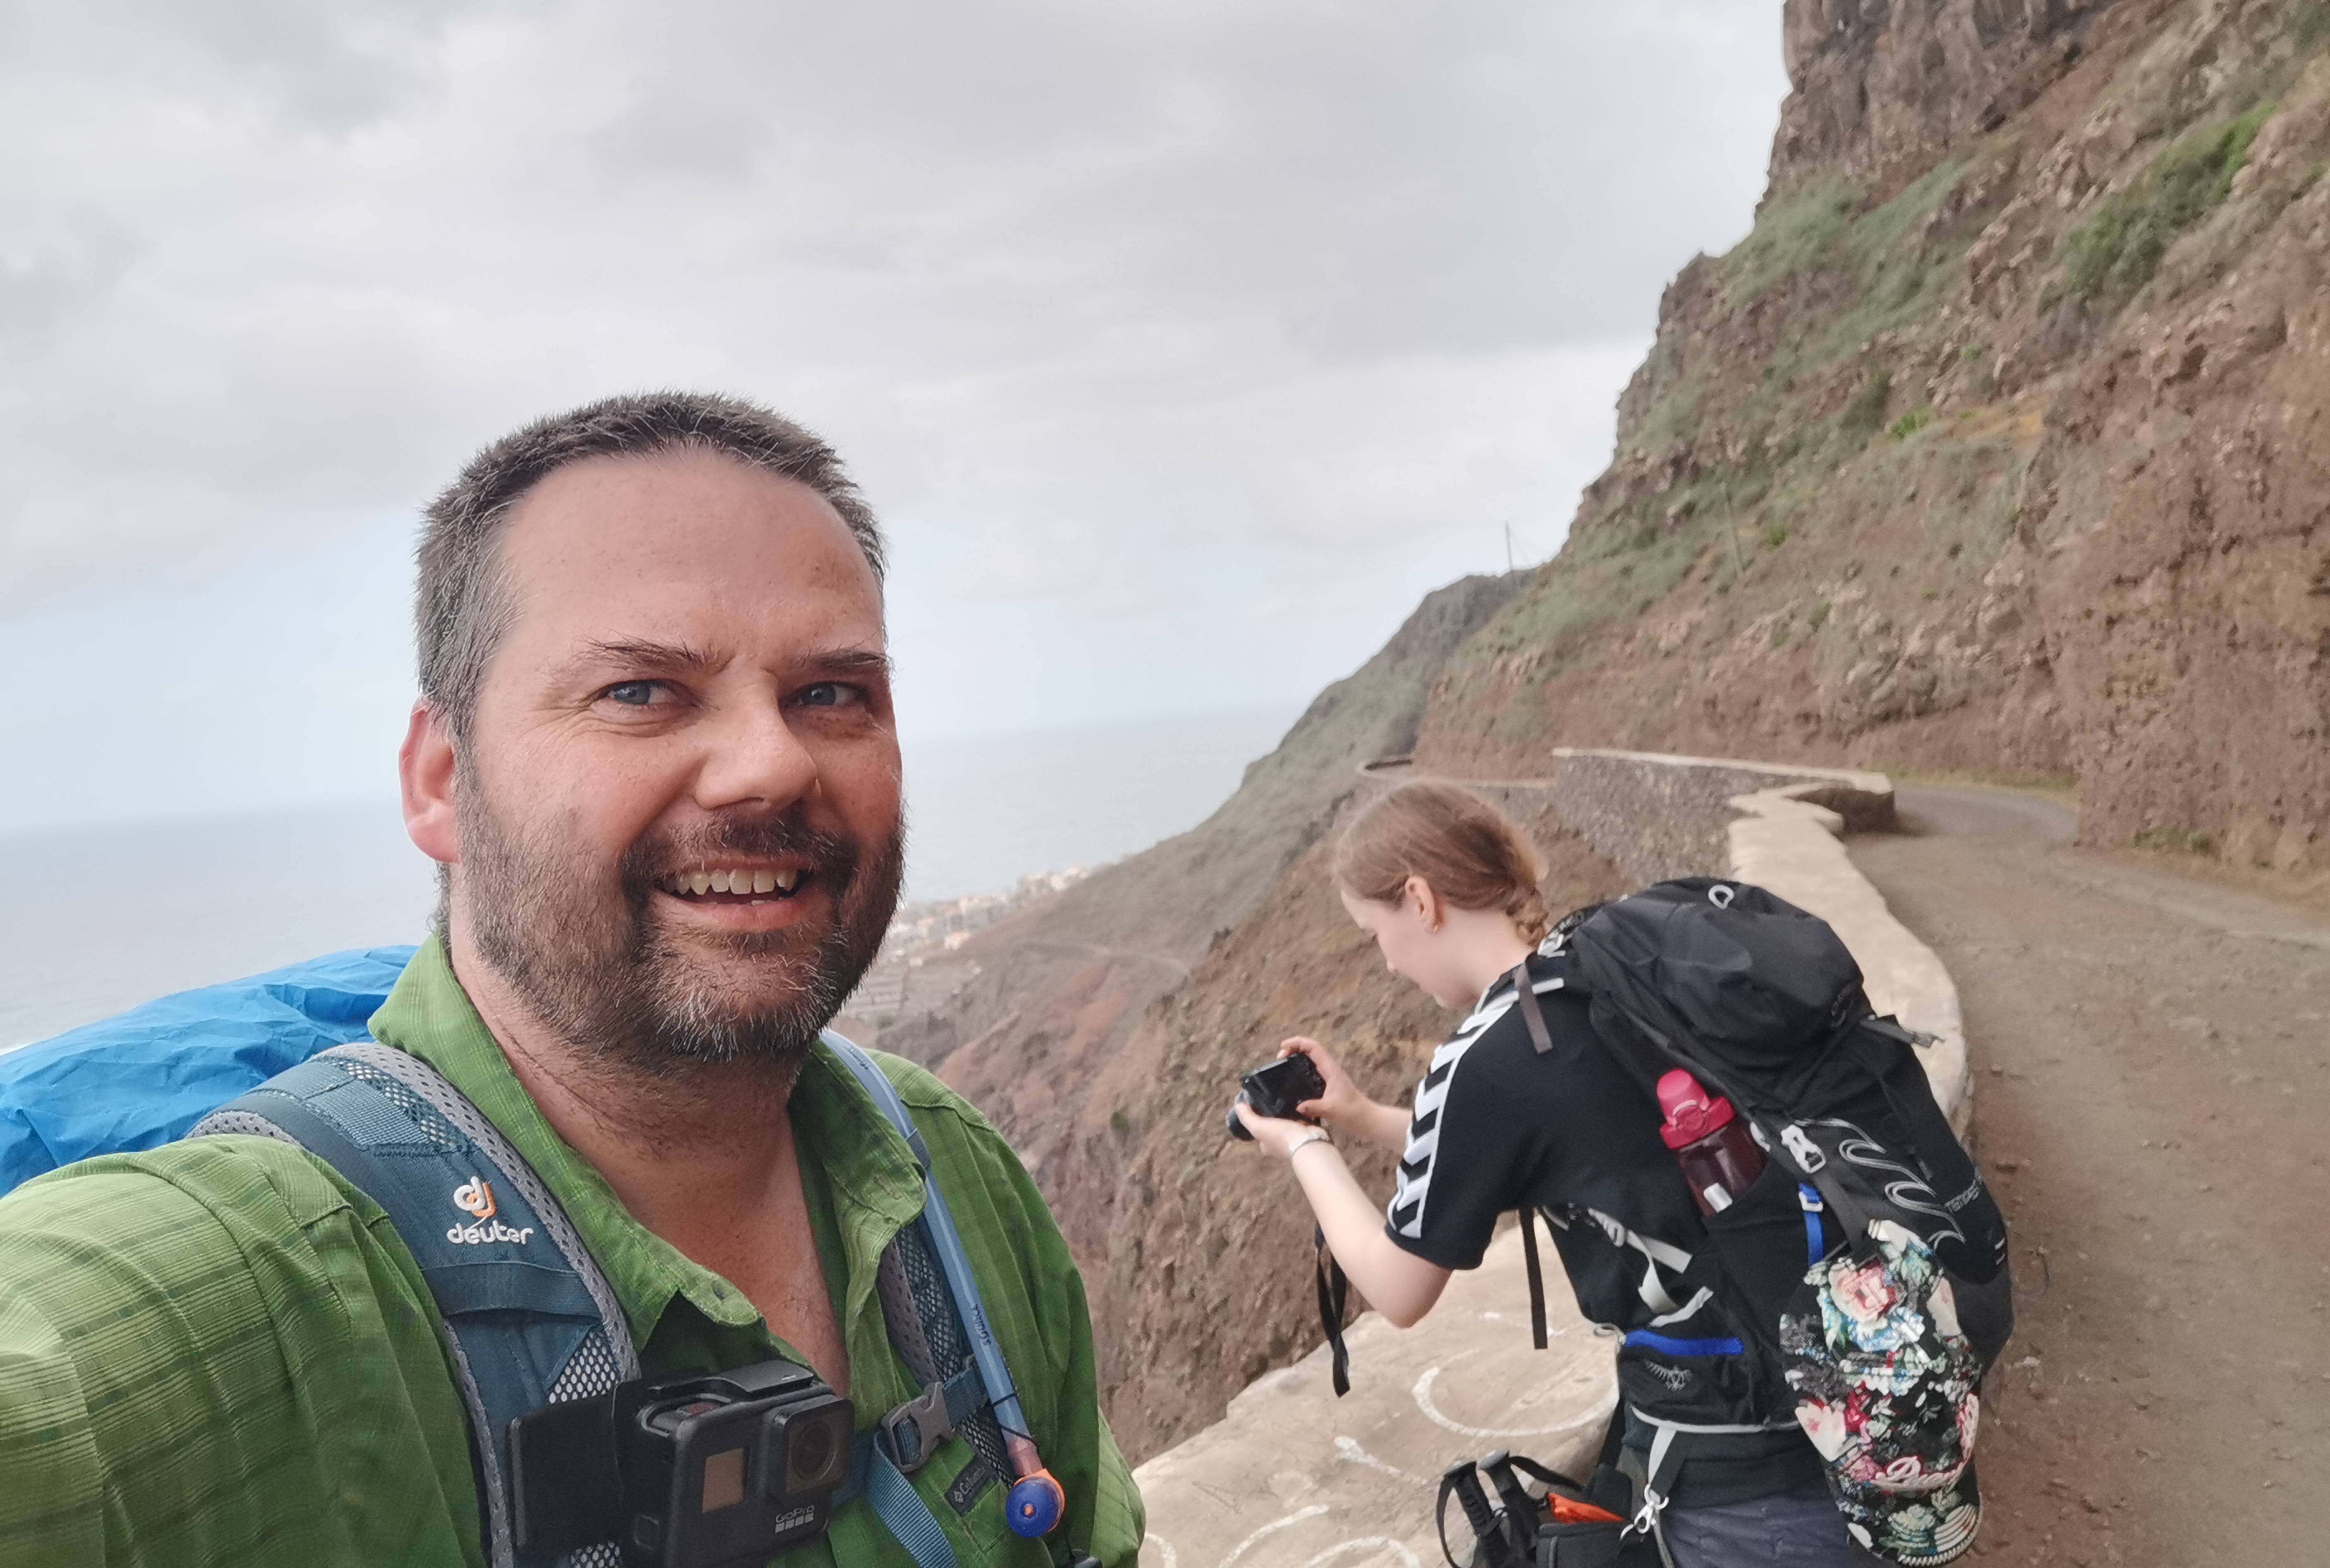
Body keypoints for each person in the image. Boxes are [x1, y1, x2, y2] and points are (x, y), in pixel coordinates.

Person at [0, 394, 1145, 1568]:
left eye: (831, 693)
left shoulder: (946, 1175)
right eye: (640, 692)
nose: (770, 763)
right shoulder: (255, 1293)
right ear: (443, 781)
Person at [1234, 779, 1868, 1567]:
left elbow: (1398, 1287)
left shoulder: (1487, 1059)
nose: (1389, 963)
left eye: (1375, 934)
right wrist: (1362, 1115)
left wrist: (1305, 1149)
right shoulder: (1594, 975)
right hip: (1838, 1387)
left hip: (1739, 1479)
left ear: (1421, 901)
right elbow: (1540, 1149)